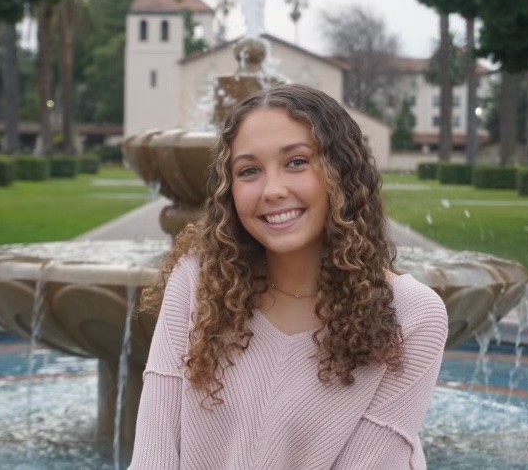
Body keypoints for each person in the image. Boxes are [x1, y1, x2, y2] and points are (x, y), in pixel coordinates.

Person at [130, 84, 448, 469]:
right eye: (249, 171)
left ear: (342, 173)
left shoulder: (413, 316)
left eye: (296, 162)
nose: (272, 190)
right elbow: (154, 455)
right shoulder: (198, 281)